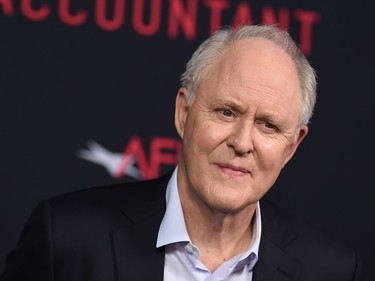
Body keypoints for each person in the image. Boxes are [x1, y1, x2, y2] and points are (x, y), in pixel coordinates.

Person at [0, 24, 363, 281]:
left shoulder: (333, 270)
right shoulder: (66, 238)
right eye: (226, 112)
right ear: (184, 113)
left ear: (293, 146)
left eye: (268, 125)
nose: (242, 142)